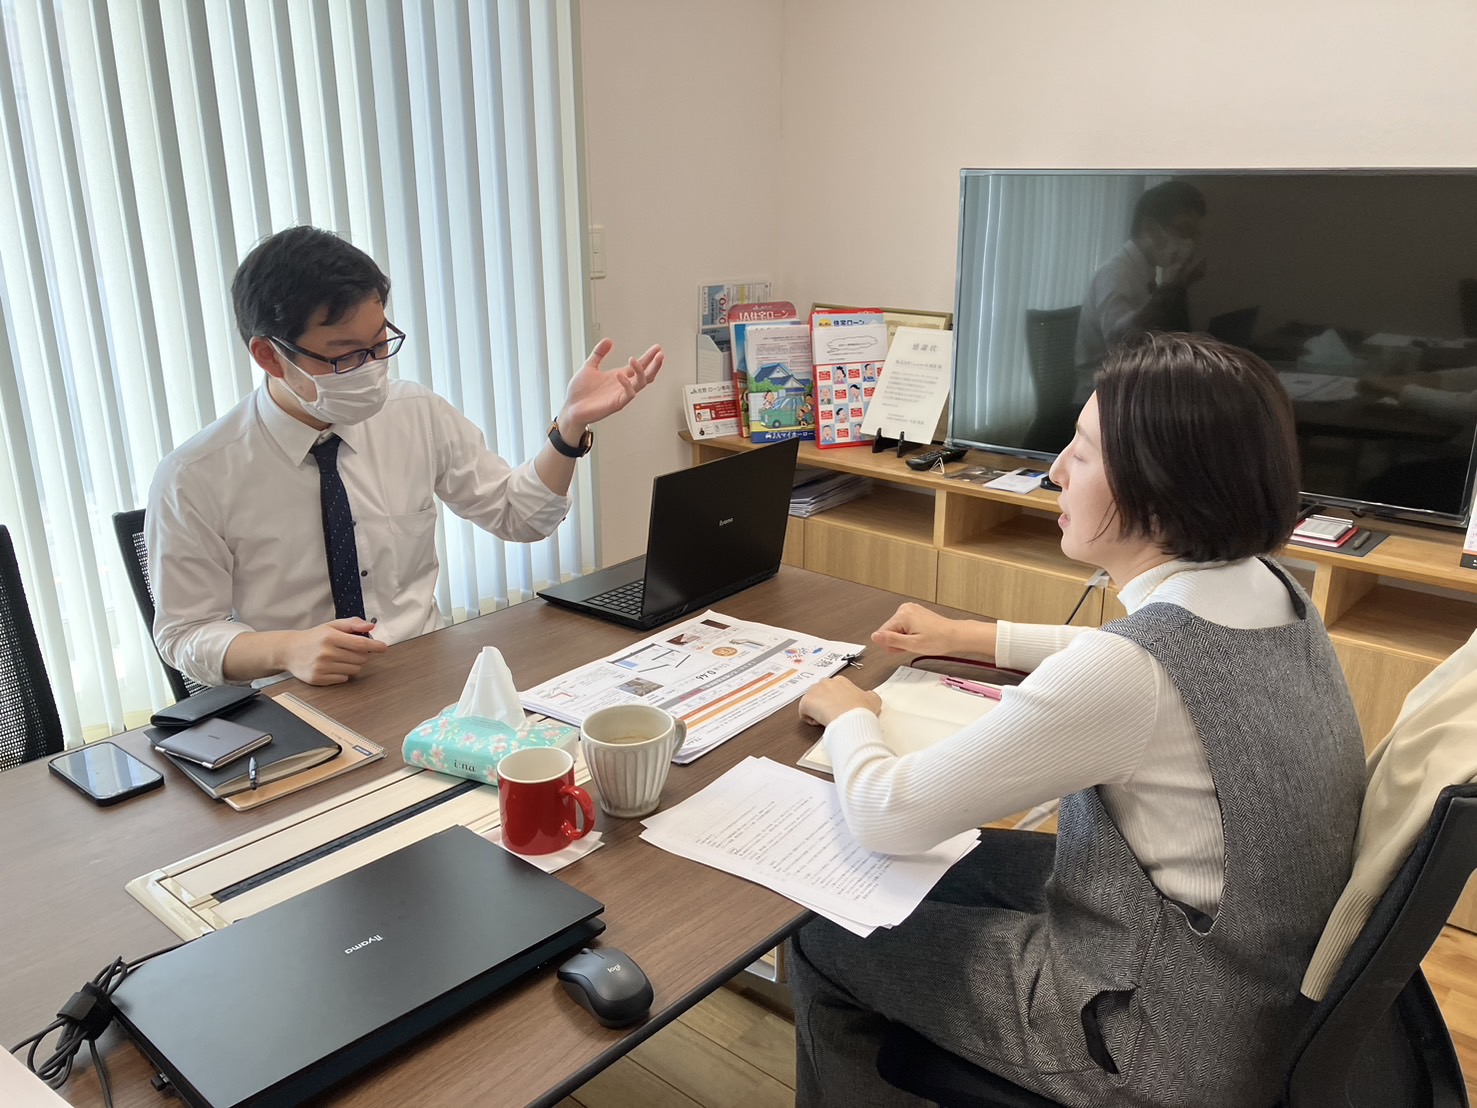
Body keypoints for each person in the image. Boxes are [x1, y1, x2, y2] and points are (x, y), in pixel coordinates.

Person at [790, 332, 1365, 1108]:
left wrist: (850, 714)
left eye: (1083, 453)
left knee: (822, 934)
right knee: (953, 862)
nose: (1055, 469)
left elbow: (889, 815)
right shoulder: (1272, 590)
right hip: (1250, 998)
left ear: (1158, 490)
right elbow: (1148, 659)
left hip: (1151, 1044)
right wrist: (972, 637)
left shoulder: (1131, 671)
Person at [147, 226, 664, 688]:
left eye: (379, 345)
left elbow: (520, 515)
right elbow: (184, 633)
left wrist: (570, 426)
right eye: (346, 355)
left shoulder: (413, 413)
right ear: (270, 355)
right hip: (293, 700)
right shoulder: (196, 476)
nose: (372, 369)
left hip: (426, 676)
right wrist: (286, 649)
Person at [1073, 180, 1208, 402]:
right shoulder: (1116, 272)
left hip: (1130, 391)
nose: (1189, 243)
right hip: (1100, 400)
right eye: (1184, 230)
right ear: (1151, 229)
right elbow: (1119, 339)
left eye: (1194, 234)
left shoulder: (1146, 270)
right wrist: (1171, 289)